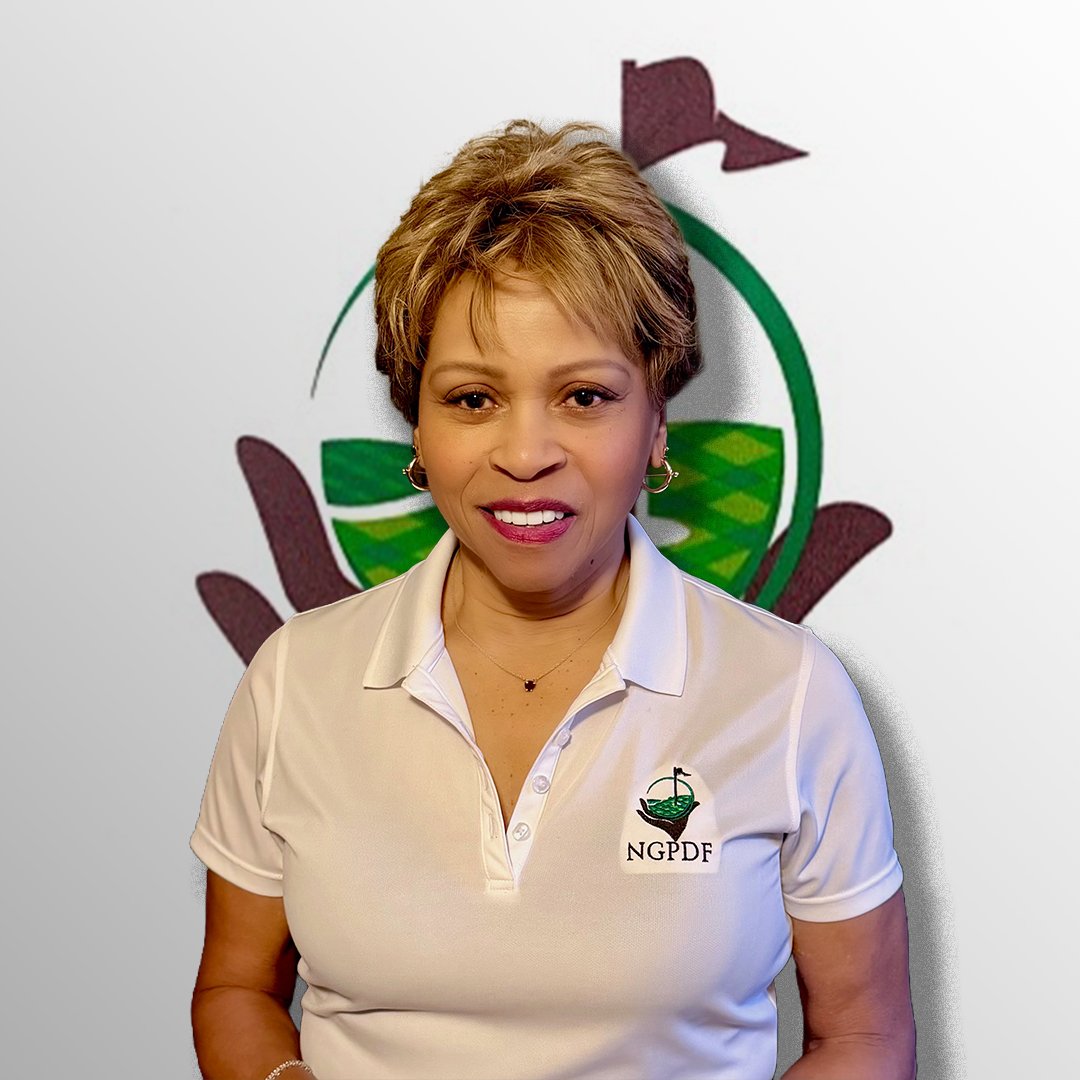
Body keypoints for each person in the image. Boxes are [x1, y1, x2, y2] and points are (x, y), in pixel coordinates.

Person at [190, 119, 916, 1080]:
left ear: (658, 421)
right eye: (472, 399)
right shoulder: (295, 681)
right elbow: (236, 990)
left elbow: (863, 1036)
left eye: (583, 397)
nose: (526, 457)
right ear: (416, 424)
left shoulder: (788, 696)